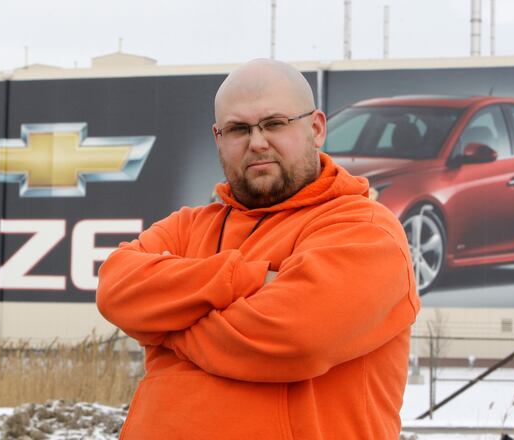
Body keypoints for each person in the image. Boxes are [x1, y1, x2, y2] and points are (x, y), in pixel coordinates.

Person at [96, 59, 420, 439]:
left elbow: (297, 338)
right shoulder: (188, 227)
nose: (257, 142)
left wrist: (165, 326)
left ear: (316, 128)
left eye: (275, 123)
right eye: (238, 129)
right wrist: (245, 278)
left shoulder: (365, 230)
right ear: (218, 138)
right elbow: (115, 287)